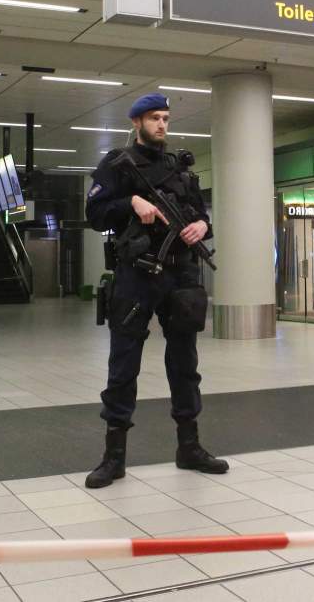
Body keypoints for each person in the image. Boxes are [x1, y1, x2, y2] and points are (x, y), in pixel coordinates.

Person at [82, 92, 228, 488]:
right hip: (137, 274)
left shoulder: (179, 168)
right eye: (154, 118)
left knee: (185, 364)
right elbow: (94, 214)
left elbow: (198, 213)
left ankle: (189, 447)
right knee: (123, 363)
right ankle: (113, 458)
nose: (162, 124)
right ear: (136, 123)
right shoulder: (117, 164)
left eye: (165, 117)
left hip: (180, 273)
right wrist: (131, 202)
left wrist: (203, 226)